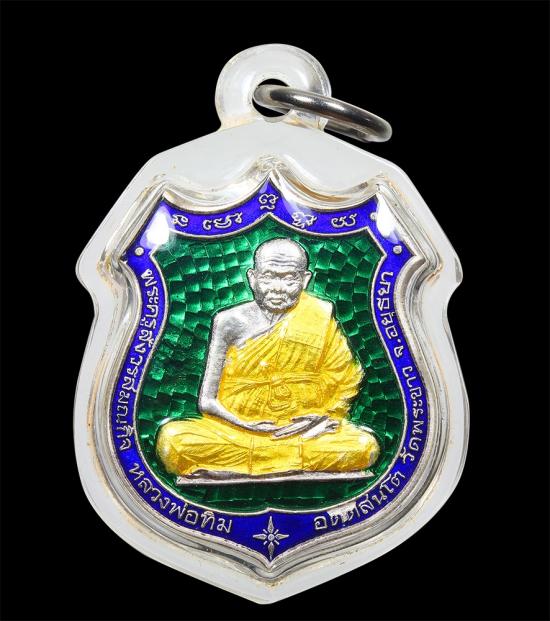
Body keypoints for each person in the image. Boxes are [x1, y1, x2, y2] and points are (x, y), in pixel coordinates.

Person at [156, 238, 379, 480]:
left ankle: (255, 463)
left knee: (364, 446)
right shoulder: (229, 321)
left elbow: (344, 379)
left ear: (305, 280)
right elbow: (207, 402)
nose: (278, 288)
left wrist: (324, 416)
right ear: (252, 278)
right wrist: (245, 425)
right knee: (173, 441)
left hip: (303, 433)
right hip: (236, 432)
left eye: (289, 278)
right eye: (268, 277)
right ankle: (284, 461)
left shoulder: (319, 315)